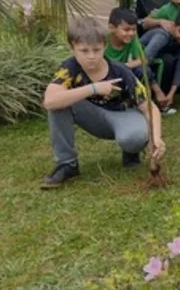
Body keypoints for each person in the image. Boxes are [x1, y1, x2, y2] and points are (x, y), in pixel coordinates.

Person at [40, 18, 164, 189]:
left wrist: (156, 139)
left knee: (133, 137)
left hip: (122, 115)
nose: (91, 56)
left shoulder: (120, 71)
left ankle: (131, 151)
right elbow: (50, 101)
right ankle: (67, 164)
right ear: (72, 48)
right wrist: (93, 88)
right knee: (58, 103)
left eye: (96, 50)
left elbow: (150, 108)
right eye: (84, 50)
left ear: (104, 46)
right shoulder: (69, 68)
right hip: (93, 116)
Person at [143, 8, 180, 115]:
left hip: (157, 65)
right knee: (168, 60)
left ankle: (166, 99)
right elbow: (142, 63)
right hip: (140, 68)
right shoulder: (162, 36)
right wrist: (158, 91)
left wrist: (171, 93)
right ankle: (157, 101)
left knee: (174, 61)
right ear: (173, 26)